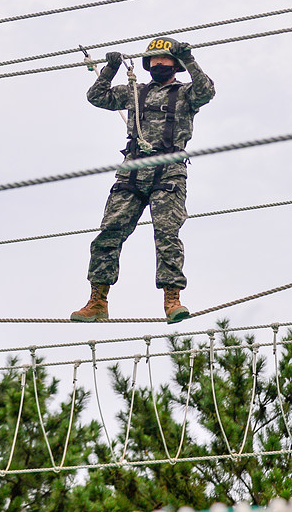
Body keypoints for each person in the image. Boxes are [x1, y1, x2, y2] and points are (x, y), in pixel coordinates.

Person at [71, 37, 215, 324]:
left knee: (166, 236)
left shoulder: (185, 93)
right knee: (108, 233)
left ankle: (172, 300)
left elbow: (207, 91)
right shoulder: (135, 92)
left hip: (169, 171)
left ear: (174, 64)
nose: (160, 64)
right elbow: (97, 97)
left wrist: (190, 58)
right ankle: (98, 301)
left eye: (165, 60)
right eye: (155, 60)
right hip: (133, 171)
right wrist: (110, 69)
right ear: (148, 64)